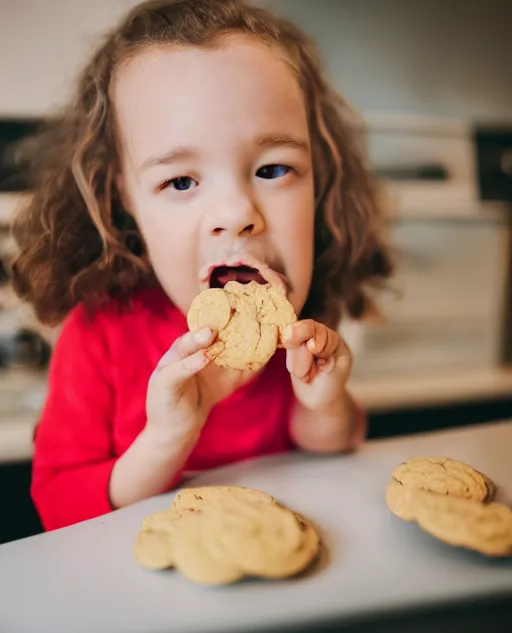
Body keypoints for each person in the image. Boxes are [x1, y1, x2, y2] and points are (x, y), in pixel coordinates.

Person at [11, 0, 392, 531]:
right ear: (124, 198)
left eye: (274, 168)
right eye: (182, 181)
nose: (237, 214)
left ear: (320, 179)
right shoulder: (98, 336)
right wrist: (167, 438)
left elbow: (332, 450)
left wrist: (324, 402)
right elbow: (57, 507)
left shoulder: (300, 325)